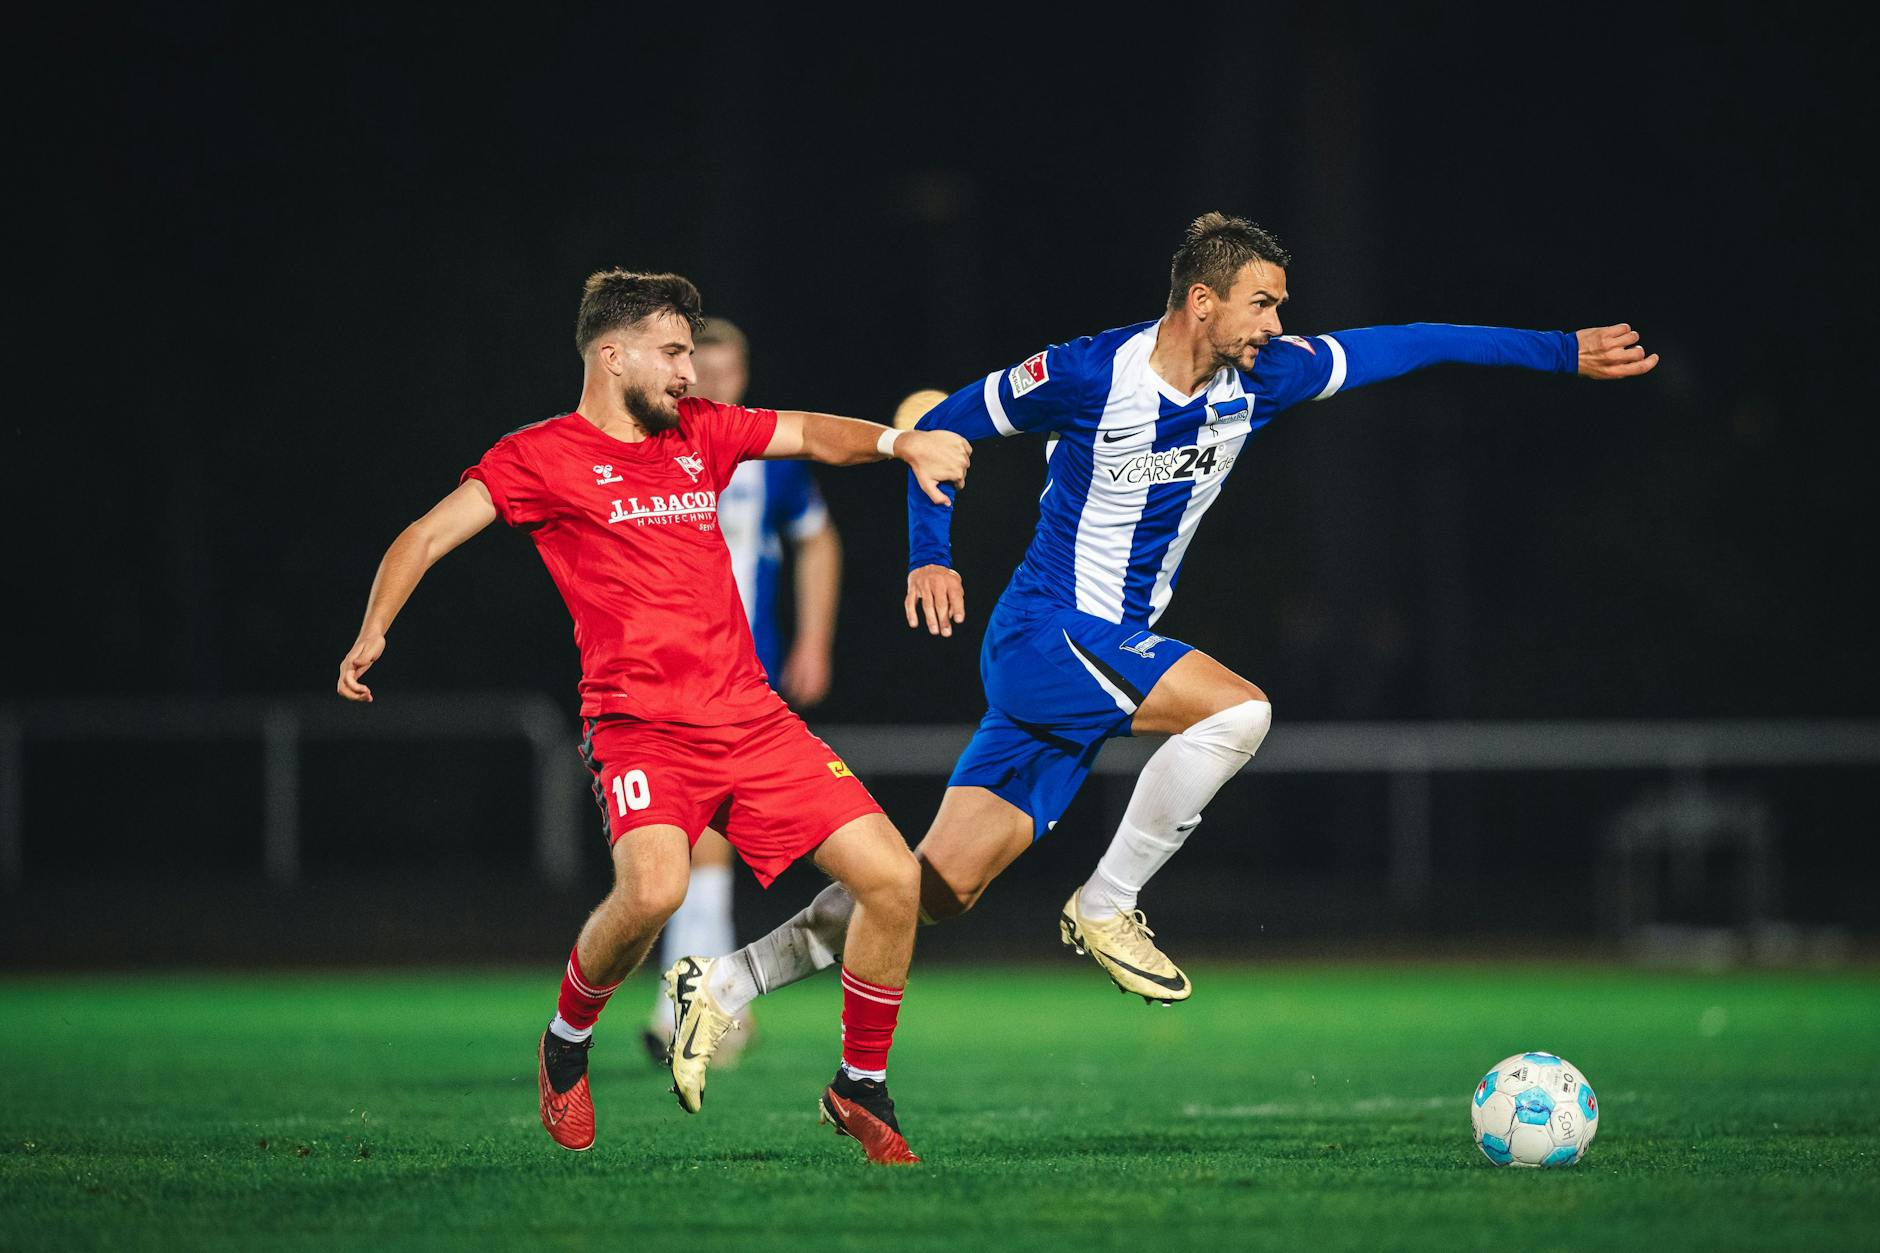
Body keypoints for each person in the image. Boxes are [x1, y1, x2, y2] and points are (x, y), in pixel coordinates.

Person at [662, 212, 1657, 1078]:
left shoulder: (1267, 374)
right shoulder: (1090, 371)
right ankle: (1106, 901)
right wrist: (929, 553)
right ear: (1200, 303)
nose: (1276, 324)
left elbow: (1414, 340)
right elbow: (945, 426)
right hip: (1046, 633)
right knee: (1239, 709)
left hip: (1091, 655)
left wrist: (1558, 351)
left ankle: (728, 978)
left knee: (931, 887)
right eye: (1260, 303)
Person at [336, 269, 970, 1164]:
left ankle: (858, 1085)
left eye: (690, 352)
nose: (688, 371)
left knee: (894, 879)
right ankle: (567, 1037)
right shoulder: (540, 455)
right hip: (640, 725)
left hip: (750, 716)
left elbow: (812, 436)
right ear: (612, 353)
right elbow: (429, 533)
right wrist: (373, 630)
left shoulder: (702, 432)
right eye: (672, 353)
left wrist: (899, 443)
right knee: (654, 890)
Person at [638, 317, 844, 1067]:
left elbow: (817, 537)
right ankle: (711, 1003)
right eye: (703, 371)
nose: (715, 385)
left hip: (739, 680)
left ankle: (686, 1006)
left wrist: (813, 639)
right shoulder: (647, 447)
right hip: (659, 681)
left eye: (728, 372)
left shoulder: (764, 457)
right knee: (684, 848)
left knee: (700, 844)